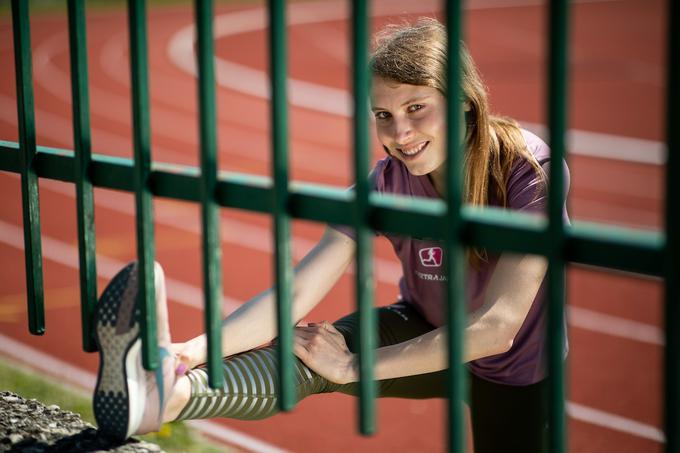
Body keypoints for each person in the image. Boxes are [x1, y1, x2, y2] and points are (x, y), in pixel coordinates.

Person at [92, 17, 569, 452]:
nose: (399, 133)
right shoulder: (383, 183)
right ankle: (169, 397)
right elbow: (298, 290)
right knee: (310, 352)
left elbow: (497, 327)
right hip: (423, 322)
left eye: (416, 107)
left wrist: (354, 367)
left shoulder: (531, 172)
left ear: (464, 103)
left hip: (515, 368)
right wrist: (193, 350)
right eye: (382, 115)